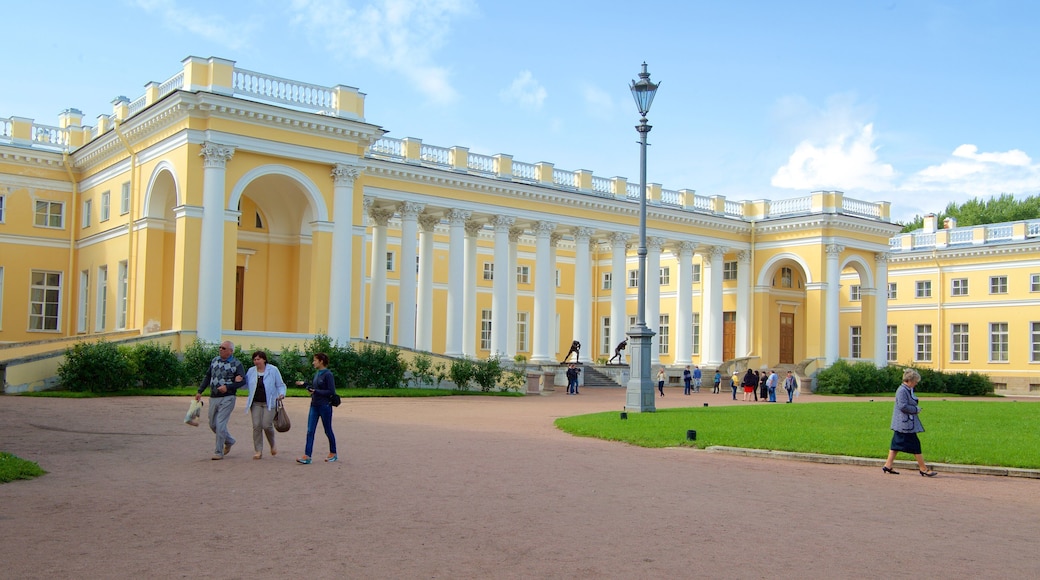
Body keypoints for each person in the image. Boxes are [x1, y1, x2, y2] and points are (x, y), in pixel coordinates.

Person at [195, 341, 246, 460]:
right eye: (220, 347)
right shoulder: (215, 360)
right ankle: (229, 440)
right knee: (213, 424)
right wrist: (200, 391)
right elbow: (208, 376)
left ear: (231, 351)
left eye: (224, 348)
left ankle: (218, 452)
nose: (221, 349)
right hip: (214, 397)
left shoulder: (236, 364)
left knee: (220, 424)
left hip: (228, 397)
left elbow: (242, 381)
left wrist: (228, 387)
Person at [882, 369, 937, 476]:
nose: (916, 383)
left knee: (895, 445)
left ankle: (888, 465)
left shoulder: (907, 389)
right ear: (910, 380)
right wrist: (915, 409)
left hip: (904, 423)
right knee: (915, 445)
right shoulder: (902, 390)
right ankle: (923, 468)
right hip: (905, 424)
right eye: (915, 381)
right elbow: (903, 406)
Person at [243, 350, 287, 460]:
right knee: (256, 426)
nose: (256, 361)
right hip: (255, 403)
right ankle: (258, 450)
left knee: (266, 425)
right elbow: (245, 385)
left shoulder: (273, 370)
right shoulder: (251, 371)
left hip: (269, 402)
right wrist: (239, 381)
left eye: (258, 359)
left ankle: (272, 444)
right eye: (254, 359)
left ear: (264, 360)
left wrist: (281, 394)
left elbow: (280, 385)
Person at [296, 352, 338, 464]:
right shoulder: (317, 373)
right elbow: (315, 388)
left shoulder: (328, 374)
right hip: (314, 405)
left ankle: (333, 453)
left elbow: (331, 391)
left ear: (321, 361)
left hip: (325, 406)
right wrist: (305, 385)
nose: (313, 362)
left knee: (327, 430)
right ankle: (307, 456)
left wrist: (316, 391)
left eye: (315, 360)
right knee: (310, 430)